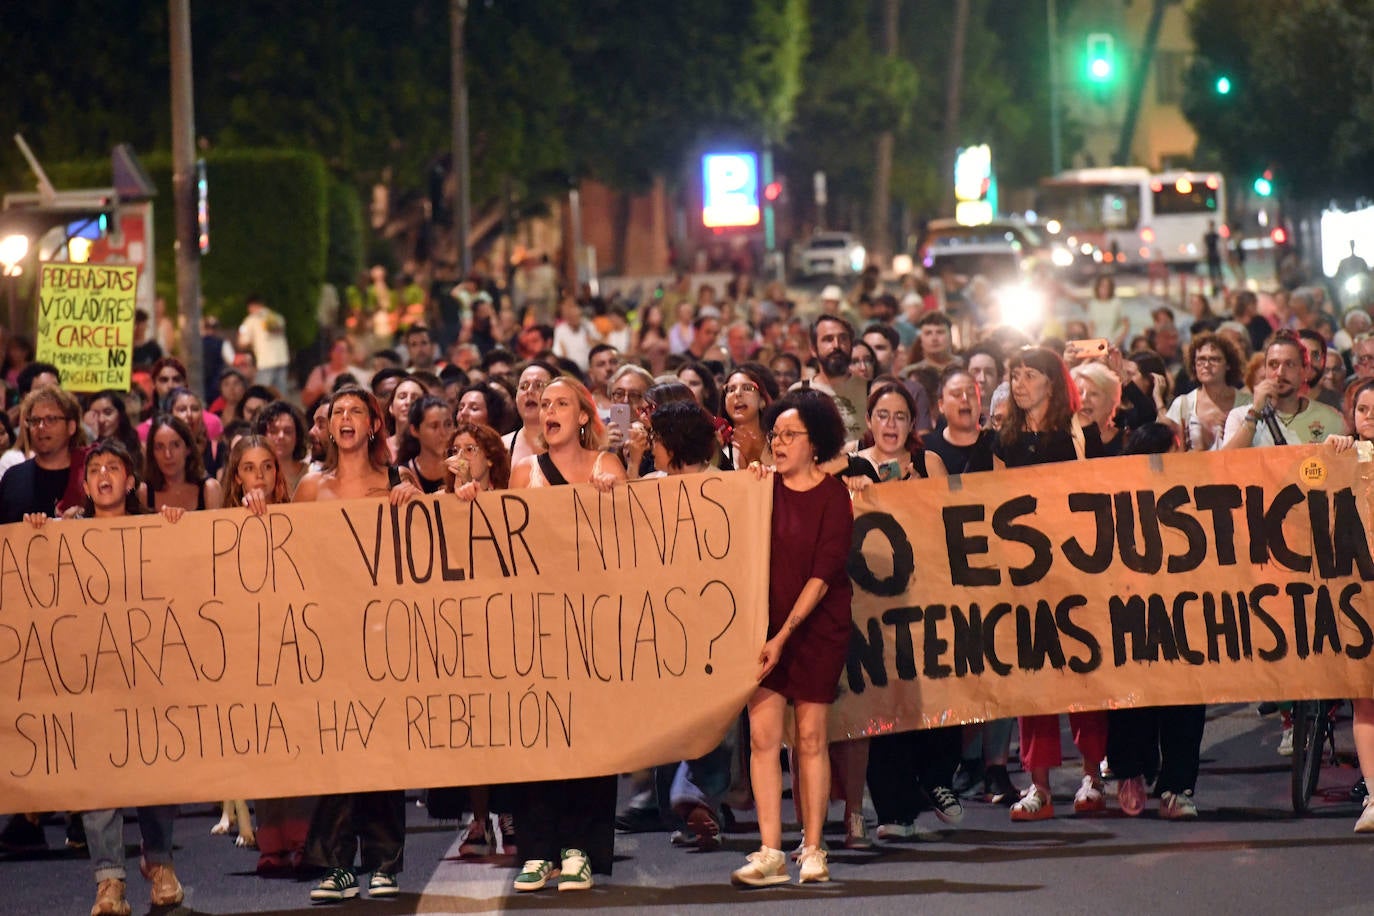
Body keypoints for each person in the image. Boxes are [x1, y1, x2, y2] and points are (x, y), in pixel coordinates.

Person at [26, 442, 186, 915]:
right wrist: (37, 535)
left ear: (130, 481)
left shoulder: (154, 528)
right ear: (85, 482)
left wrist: (176, 533)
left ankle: (159, 864)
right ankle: (109, 880)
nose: (103, 476)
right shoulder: (64, 534)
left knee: (157, 772)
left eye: (113, 468)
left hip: (150, 675)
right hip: (93, 679)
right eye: (93, 469)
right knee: (100, 779)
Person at [295, 386, 420, 902]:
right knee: (337, 746)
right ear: (326, 428)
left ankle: (385, 861)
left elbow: (427, 550)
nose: (345, 419)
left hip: (386, 633)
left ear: (374, 424)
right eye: (336, 413)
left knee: (385, 748)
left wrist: (419, 503)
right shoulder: (309, 488)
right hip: (330, 634)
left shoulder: (398, 480)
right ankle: (337, 863)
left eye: (356, 412)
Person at [732, 389, 853, 887]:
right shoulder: (759, 488)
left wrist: (782, 637)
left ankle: (812, 846)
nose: (778, 443)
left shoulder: (834, 496)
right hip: (761, 630)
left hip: (816, 627)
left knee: (809, 737)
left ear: (816, 441)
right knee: (763, 738)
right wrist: (750, 479)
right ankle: (769, 850)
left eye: (789, 435)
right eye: (775, 435)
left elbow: (823, 576)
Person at [508, 378, 624, 892]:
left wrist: (613, 500)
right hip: (536, 622)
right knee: (538, 733)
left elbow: (631, 540)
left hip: (591, 623)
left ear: (583, 417)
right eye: (544, 403)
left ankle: (580, 847)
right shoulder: (522, 473)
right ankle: (537, 850)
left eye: (561, 403)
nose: (548, 409)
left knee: (591, 737)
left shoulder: (608, 469)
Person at [993, 347, 1109, 821]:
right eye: (1014, 376)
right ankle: (1038, 784)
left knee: (1084, 674)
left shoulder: (1079, 435)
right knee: (1033, 682)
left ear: (1052, 383)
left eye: (1030, 376)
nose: (1021, 385)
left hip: (1074, 572)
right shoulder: (1002, 440)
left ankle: (1092, 776)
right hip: (1023, 578)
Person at [1106, 423, 1209, 820]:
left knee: (1185, 697)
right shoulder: (1116, 488)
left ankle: (1177, 786)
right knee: (1132, 693)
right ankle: (1130, 771)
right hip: (1133, 608)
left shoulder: (1197, 486)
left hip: (1188, 607)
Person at [1324, 382, 1374, 833]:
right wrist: (1330, 454)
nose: (1369, 417)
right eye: (1362, 409)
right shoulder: (1341, 457)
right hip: (1359, 594)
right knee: (1366, 696)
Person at [1161, 332, 1249, 451]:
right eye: (1201, 359)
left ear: (1228, 364)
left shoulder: (1247, 403)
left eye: (1214, 359)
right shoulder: (1183, 404)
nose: (1206, 365)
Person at [144, 414, 224, 512]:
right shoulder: (144, 492)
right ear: (152, 452)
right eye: (160, 447)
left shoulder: (210, 489)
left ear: (188, 448)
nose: (167, 455)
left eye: (175, 445)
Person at [722, 364, 778, 469]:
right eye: (731, 390)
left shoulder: (778, 441)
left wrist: (753, 457)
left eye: (747, 388)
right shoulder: (718, 446)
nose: (737, 393)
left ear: (762, 401)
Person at [503, 361, 558, 466]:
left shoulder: (571, 444)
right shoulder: (501, 446)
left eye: (539, 385)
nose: (530, 391)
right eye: (523, 387)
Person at [396, 396, 454, 493]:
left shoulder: (461, 469)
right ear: (414, 430)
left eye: (448, 424)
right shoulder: (401, 474)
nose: (443, 432)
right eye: (434, 426)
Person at [255, 401, 310, 496]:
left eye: (287, 431)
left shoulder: (311, 473)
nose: (281, 436)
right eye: (273, 431)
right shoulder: (255, 475)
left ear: (298, 437)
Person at [238, 294, 291, 393]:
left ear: (251, 306)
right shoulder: (277, 317)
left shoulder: (251, 320)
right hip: (282, 359)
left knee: (260, 392)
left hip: (265, 361)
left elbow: (243, 341)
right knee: (279, 393)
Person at [86, 389, 143, 460]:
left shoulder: (140, 449)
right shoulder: (84, 448)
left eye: (108, 413)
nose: (101, 420)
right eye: (95, 414)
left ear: (120, 414)